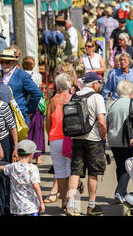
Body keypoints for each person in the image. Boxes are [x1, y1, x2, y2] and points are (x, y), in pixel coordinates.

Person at [66, 72, 107, 216]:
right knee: (93, 172)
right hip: (94, 139)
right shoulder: (97, 97)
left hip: (77, 137)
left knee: (75, 171)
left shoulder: (75, 95)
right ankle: (91, 206)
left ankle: (70, 204)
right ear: (95, 84)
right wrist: (104, 136)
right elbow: (101, 121)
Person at [106, 80, 133, 204]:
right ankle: (120, 191)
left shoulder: (111, 104)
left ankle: (120, 191)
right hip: (129, 139)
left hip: (113, 139)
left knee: (120, 165)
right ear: (131, 91)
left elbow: (106, 122)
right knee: (128, 166)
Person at [45, 73, 73, 211]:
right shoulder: (72, 98)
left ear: (57, 85)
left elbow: (48, 123)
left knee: (60, 172)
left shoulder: (53, 100)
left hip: (55, 138)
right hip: (70, 138)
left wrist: (50, 135)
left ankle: (64, 201)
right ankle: (71, 201)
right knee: (71, 170)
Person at [0, 140, 45, 216]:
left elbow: (2, 168)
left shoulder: (13, 167)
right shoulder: (33, 168)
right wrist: (41, 202)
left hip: (16, 207)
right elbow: (36, 186)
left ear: (17, 154)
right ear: (31, 154)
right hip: (30, 207)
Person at [0, 48, 42, 125]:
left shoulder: (23, 75)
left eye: (7, 62)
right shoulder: (0, 74)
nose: (4, 65)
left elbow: (37, 93)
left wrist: (28, 110)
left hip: (18, 118)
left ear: (13, 62)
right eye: (1, 62)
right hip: (2, 119)